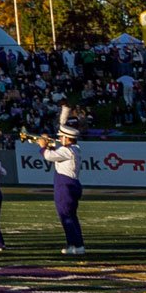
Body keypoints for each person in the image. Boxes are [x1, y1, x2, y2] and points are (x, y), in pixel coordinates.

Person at [40, 106, 84, 255]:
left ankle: (75, 245)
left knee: (66, 216)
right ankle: (76, 244)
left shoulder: (67, 150)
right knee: (71, 216)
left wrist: (43, 146)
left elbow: (48, 156)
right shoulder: (75, 148)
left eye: (61, 137)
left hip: (65, 185)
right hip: (71, 184)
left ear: (66, 138)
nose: (59, 139)